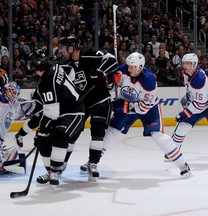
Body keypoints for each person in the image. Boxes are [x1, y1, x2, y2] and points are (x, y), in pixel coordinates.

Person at [104, 52, 192, 178]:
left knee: (159, 137)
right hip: (126, 104)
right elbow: (109, 86)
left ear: (140, 67)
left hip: (148, 108)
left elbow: (144, 107)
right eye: (128, 65)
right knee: (112, 131)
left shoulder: (149, 80)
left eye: (132, 67)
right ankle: (93, 161)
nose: (129, 69)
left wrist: (125, 107)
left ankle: (182, 165)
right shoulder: (123, 70)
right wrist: (111, 80)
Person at [60, 35, 118, 181]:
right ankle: (62, 162)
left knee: (98, 133)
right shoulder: (67, 66)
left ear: (72, 47)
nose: (62, 51)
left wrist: (100, 71)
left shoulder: (90, 54)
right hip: (81, 103)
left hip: (100, 100)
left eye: (64, 48)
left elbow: (112, 60)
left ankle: (93, 163)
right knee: (72, 133)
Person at [26, 49, 85, 185]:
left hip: (74, 111)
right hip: (60, 110)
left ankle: (55, 171)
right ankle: (50, 171)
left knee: (60, 135)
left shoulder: (48, 81)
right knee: (43, 141)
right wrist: (42, 132)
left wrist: (43, 129)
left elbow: (51, 112)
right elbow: (70, 71)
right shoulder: (53, 67)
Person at [165, 53, 208, 160]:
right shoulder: (186, 73)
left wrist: (184, 113)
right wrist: (188, 98)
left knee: (183, 120)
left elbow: (199, 104)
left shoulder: (199, 79)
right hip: (199, 104)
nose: (184, 65)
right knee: (182, 127)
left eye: (187, 63)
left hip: (202, 105)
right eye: (184, 63)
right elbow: (191, 93)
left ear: (194, 64)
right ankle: (173, 152)